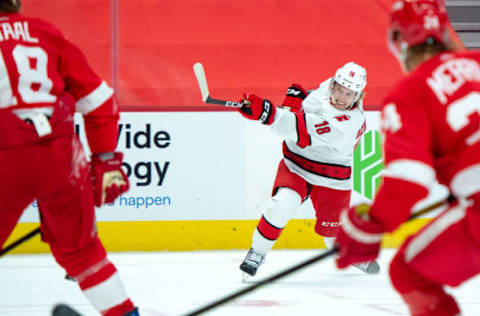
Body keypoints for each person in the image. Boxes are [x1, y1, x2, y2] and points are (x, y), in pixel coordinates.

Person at [334, 0, 480, 315]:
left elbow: (409, 179)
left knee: (408, 272)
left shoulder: (410, 92)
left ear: (398, 41)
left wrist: (370, 226)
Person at [0, 1, 138, 315]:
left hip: (4, 155)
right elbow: (99, 99)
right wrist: (105, 159)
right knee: (84, 254)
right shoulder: (44, 32)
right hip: (59, 152)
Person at [237, 61, 380, 278]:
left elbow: (297, 128)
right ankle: (257, 252)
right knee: (282, 205)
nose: (340, 97)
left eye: (349, 94)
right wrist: (297, 101)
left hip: (332, 177)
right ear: (333, 84)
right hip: (296, 165)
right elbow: (307, 104)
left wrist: (265, 113)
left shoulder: (348, 123)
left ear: (358, 97)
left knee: (331, 234)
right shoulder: (326, 88)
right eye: (339, 89)